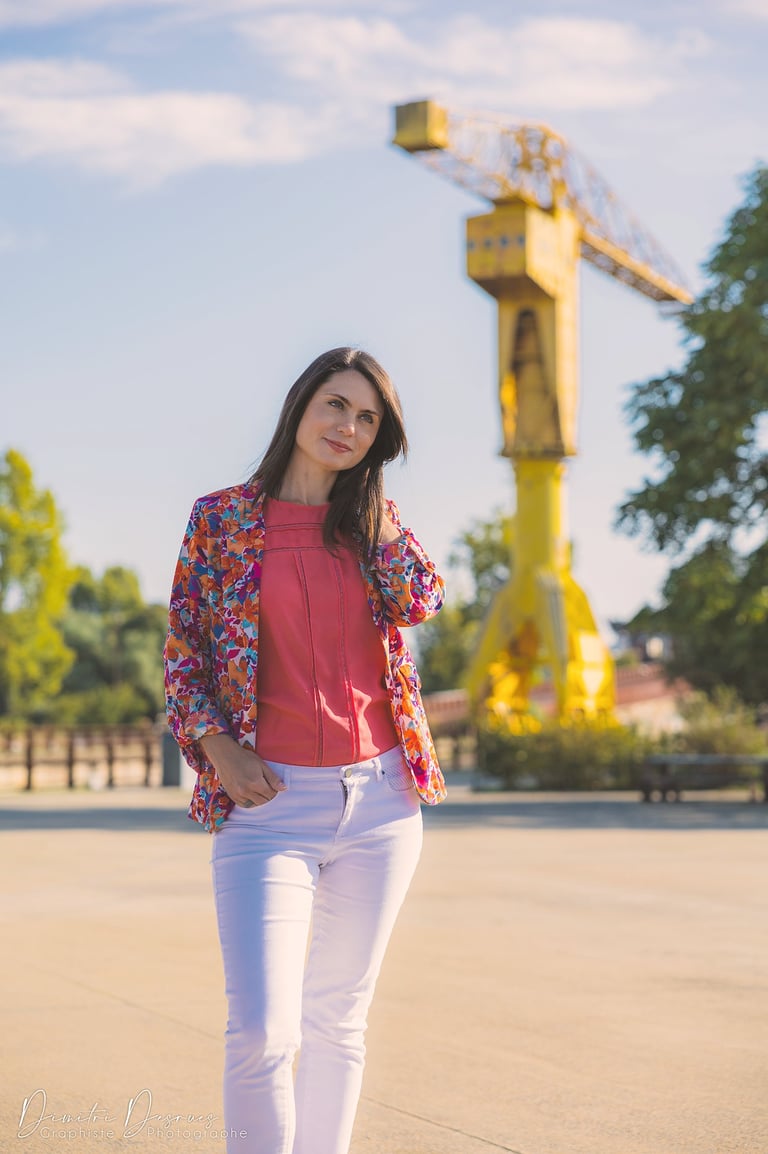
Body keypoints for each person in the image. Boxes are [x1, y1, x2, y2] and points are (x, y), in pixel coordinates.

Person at [164, 347, 447, 1154]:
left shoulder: (370, 528)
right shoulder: (220, 519)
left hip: (383, 801)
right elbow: (183, 648)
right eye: (335, 405)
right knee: (261, 1029)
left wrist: (375, 509)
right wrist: (216, 746)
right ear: (298, 408)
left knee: (339, 1022)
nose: (347, 427)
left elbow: (421, 598)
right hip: (268, 806)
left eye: (368, 419)